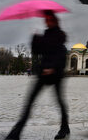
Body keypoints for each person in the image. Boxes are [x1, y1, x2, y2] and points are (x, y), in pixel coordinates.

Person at [5, 10, 70, 140]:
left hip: (55, 75)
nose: (47, 21)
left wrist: (53, 68)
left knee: (59, 102)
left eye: (49, 19)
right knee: (29, 102)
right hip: (43, 74)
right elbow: (37, 51)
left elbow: (62, 54)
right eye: (46, 19)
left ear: (55, 20)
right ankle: (16, 133)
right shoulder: (45, 35)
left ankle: (64, 128)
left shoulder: (60, 35)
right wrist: (34, 39)